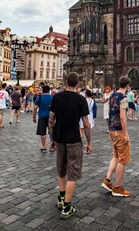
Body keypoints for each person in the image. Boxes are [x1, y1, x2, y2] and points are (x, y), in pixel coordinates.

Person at [48, 72, 92, 219]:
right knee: (72, 174)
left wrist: (52, 138)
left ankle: (61, 199)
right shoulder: (80, 99)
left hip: (59, 138)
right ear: (78, 83)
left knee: (61, 170)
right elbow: (86, 123)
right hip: (73, 140)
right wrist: (89, 142)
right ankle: (67, 207)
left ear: (66, 82)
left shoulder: (57, 97)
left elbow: (51, 119)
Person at [101, 75, 131, 197]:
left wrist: (109, 126)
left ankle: (107, 180)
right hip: (119, 130)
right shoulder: (123, 97)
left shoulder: (112, 95)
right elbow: (123, 116)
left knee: (116, 155)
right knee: (123, 159)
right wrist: (126, 133)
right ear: (127, 85)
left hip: (112, 129)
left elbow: (109, 112)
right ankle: (117, 187)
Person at [34, 85, 54, 152]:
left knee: (43, 132)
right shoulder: (52, 97)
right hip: (51, 116)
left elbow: (35, 108)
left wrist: (34, 116)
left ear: (42, 90)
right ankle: (51, 147)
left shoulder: (39, 97)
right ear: (49, 90)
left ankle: (44, 147)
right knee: (51, 132)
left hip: (42, 116)